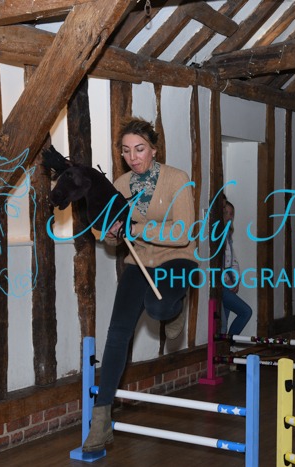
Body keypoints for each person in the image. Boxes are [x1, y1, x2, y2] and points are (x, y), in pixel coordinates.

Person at [82, 118, 198, 452]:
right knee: (117, 333)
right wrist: (110, 233)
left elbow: (183, 233)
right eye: (126, 151)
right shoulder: (120, 185)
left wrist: (136, 229)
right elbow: (113, 238)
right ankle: (101, 421)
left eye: (140, 149)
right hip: (139, 262)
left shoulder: (177, 179)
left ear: (154, 149)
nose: (133, 157)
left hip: (178, 258)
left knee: (158, 306)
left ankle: (174, 308)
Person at [222, 200, 252, 336]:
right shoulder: (217, 235)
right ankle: (228, 343)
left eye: (231, 214)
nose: (229, 216)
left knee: (224, 322)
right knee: (246, 312)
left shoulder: (228, 236)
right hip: (220, 284)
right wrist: (226, 280)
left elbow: (233, 261)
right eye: (226, 213)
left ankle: (226, 345)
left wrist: (236, 280)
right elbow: (215, 262)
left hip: (228, 282)